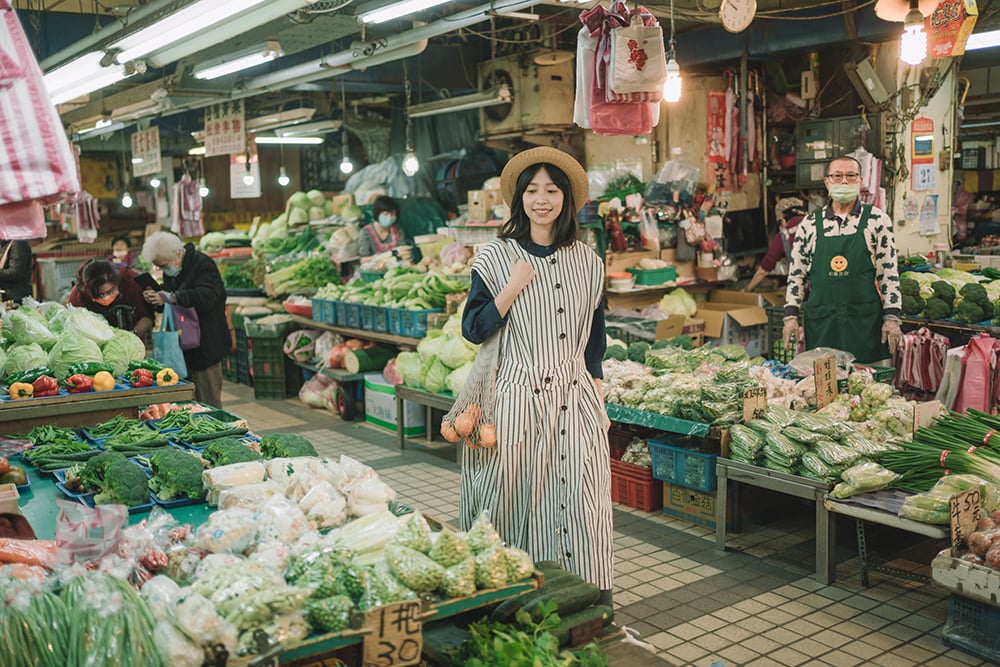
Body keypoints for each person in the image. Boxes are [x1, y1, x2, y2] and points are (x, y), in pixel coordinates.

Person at [459, 147, 613, 605]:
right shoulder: (496, 257)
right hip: (514, 399)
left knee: (583, 496)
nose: (541, 200)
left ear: (566, 199)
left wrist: (599, 399)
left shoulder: (589, 261)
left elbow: (595, 340)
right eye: (531, 191)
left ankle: (588, 595)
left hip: (576, 399)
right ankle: (503, 597)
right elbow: (473, 329)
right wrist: (512, 287)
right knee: (508, 498)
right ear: (519, 199)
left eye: (551, 190)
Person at [781, 156, 903, 364]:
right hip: (822, 322)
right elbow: (796, 274)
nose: (844, 181)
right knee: (823, 380)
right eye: (837, 176)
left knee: (866, 381)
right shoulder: (809, 224)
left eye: (851, 176)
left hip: (864, 322)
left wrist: (892, 318)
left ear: (860, 180)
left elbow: (888, 274)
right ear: (827, 182)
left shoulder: (877, 220)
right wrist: (791, 316)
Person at [141, 231, 228, 408]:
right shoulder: (173, 269)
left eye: (165, 266)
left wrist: (173, 297)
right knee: (189, 403)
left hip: (206, 342)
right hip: (183, 346)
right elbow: (172, 300)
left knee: (208, 401)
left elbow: (207, 296)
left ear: (178, 254)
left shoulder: (202, 264)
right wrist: (157, 298)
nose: (165, 271)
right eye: (160, 267)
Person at [68, 259, 154, 338]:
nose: (106, 298)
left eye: (110, 291)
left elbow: (147, 317)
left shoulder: (131, 280)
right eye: (100, 295)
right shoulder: (77, 296)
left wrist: (131, 336)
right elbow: (77, 328)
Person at [743, 196, 807, 292]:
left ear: (782, 220)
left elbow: (763, 271)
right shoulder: (818, 223)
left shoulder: (784, 237)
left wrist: (747, 289)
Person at [358, 195, 409, 262]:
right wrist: (384, 256)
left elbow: (404, 252)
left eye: (393, 214)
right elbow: (363, 260)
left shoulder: (398, 230)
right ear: (377, 214)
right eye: (386, 214)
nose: (390, 217)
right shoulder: (366, 232)